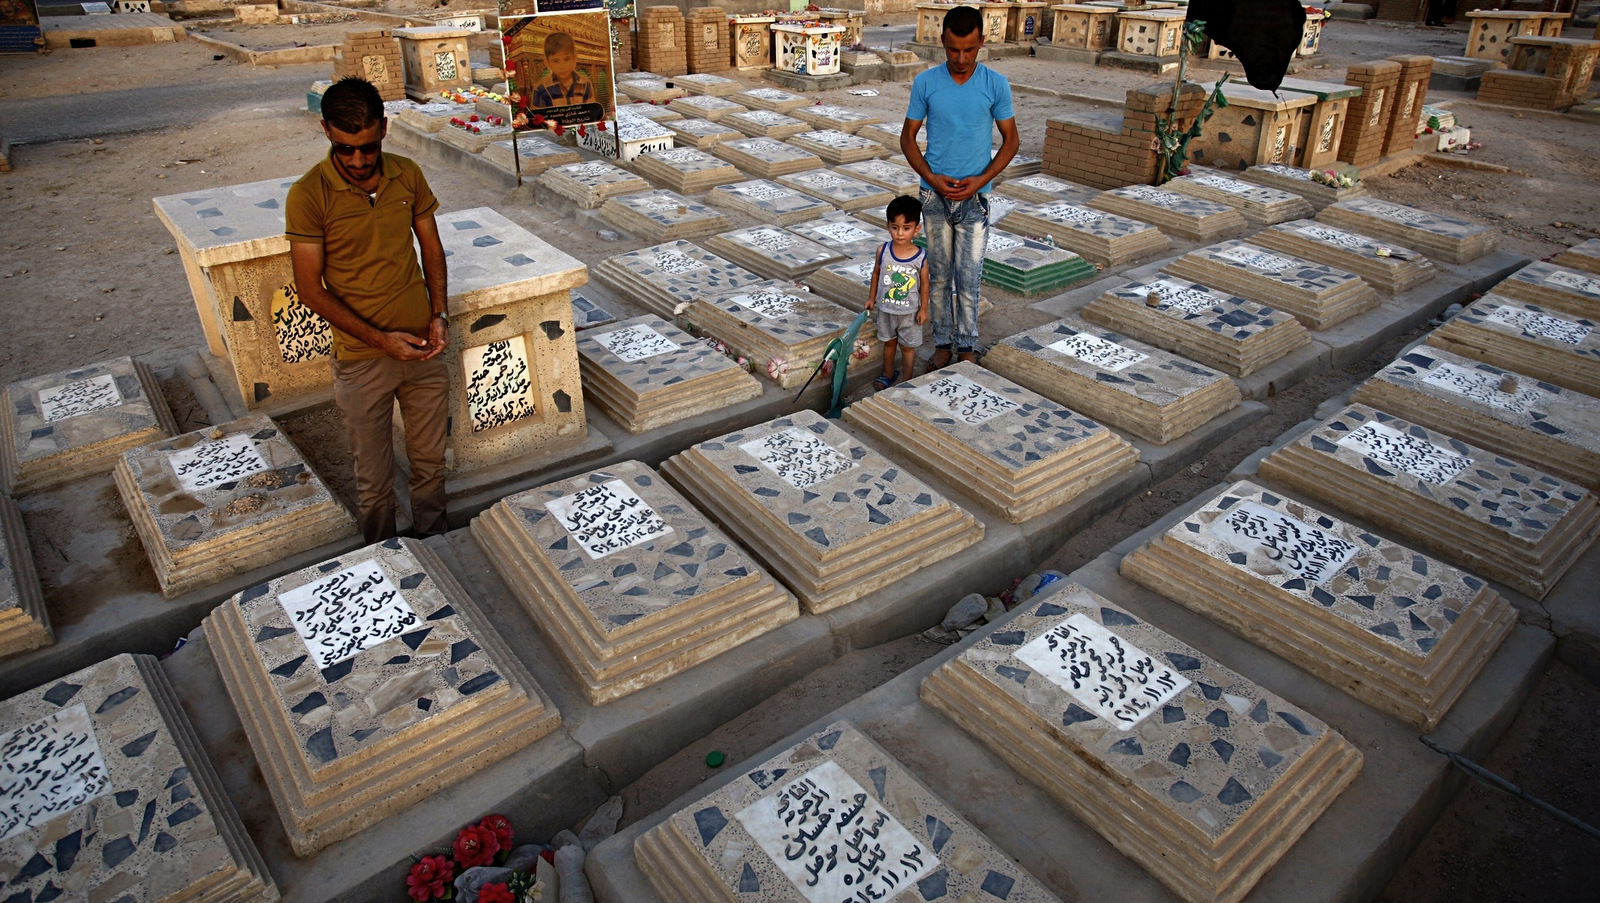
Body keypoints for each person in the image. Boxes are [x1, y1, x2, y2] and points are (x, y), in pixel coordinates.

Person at [285, 76, 451, 543]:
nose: (357, 161)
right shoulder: (308, 195)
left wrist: (439, 315)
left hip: (423, 346)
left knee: (430, 467)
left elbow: (432, 251)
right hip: (362, 360)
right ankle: (385, 559)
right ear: (325, 132)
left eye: (366, 148)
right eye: (344, 149)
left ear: (383, 129)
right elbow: (309, 289)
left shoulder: (408, 174)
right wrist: (381, 341)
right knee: (374, 482)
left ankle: (438, 548)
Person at [901, 5, 1019, 372]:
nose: (961, 58)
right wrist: (932, 179)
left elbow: (1011, 140)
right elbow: (908, 138)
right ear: (942, 43)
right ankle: (942, 343)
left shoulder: (995, 84)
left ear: (981, 42)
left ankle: (967, 345)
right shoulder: (926, 83)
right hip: (934, 198)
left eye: (969, 50)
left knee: (969, 279)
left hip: (976, 201)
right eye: (953, 50)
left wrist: (980, 181)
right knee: (938, 278)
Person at [865, 195, 930, 391]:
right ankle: (887, 373)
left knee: (908, 347)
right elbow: (876, 273)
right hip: (886, 310)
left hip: (909, 312)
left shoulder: (920, 257)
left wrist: (923, 310)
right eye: (895, 227)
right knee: (889, 344)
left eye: (906, 228)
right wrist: (871, 298)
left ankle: (907, 377)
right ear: (888, 226)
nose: (900, 233)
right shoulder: (882, 251)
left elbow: (925, 285)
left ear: (916, 229)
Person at [529, 31, 594, 112]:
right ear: (547, 63)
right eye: (555, 61)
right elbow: (538, 119)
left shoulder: (586, 84)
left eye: (566, 59)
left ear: (575, 58)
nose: (562, 66)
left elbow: (592, 113)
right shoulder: (540, 89)